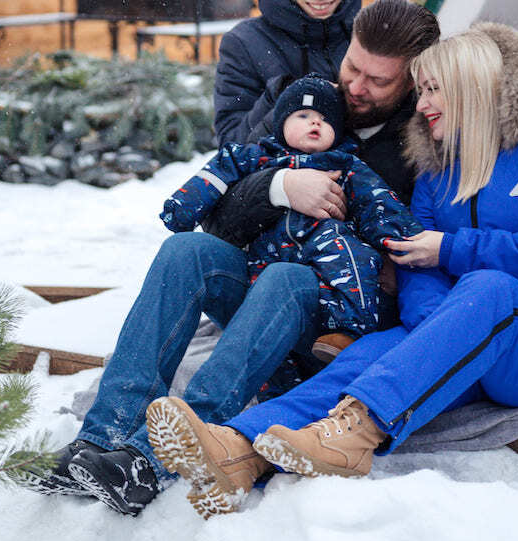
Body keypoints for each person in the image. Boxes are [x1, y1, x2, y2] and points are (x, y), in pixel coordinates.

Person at [144, 22, 518, 518]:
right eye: (422, 89)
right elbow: (415, 265)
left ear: (471, 89)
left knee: (488, 287)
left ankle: (356, 434)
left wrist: (452, 250)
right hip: (470, 342)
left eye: (434, 90)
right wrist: (439, 327)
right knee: (365, 354)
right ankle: (237, 450)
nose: (423, 102)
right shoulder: (434, 177)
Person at [22, 0, 438, 516]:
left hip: (332, 325)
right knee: (187, 250)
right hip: (262, 296)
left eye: (379, 81)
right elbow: (219, 220)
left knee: (287, 276)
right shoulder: (310, 105)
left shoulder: (420, 145)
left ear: (414, 81)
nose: (355, 87)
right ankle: (102, 435)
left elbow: (416, 255)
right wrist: (279, 187)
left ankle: (158, 456)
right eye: (353, 66)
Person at [162, 74, 423, 361]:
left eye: (325, 120)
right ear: (281, 122)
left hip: (324, 249)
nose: (314, 122)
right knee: (268, 317)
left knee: (354, 257)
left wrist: (404, 239)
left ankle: (347, 331)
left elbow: (377, 201)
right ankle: (269, 378)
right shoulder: (255, 157)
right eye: (303, 115)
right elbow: (214, 176)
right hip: (270, 254)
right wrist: (182, 209)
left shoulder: (346, 165)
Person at [213, 0, 362, 147]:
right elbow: (233, 145)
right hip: (280, 177)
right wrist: (284, 95)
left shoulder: (365, 36)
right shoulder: (244, 44)